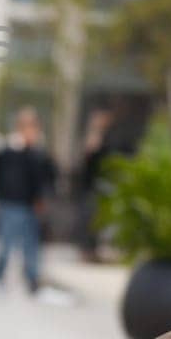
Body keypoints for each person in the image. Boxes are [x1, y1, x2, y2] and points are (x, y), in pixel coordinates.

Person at [0, 107, 68, 304]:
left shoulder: (38, 153)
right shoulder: (9, 150)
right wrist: (0, 193)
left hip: (31, 206)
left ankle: (32, 279)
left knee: (31, 245)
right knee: (7, 242)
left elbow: (49, 174)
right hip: (10, 203)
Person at [75, 108, 114, 263]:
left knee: (97, 221)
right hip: (89, 188)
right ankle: (87, 250)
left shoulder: (108, 139)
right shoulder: (90, 139)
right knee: (88, 219)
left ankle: (94, 250)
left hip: (100, 187)